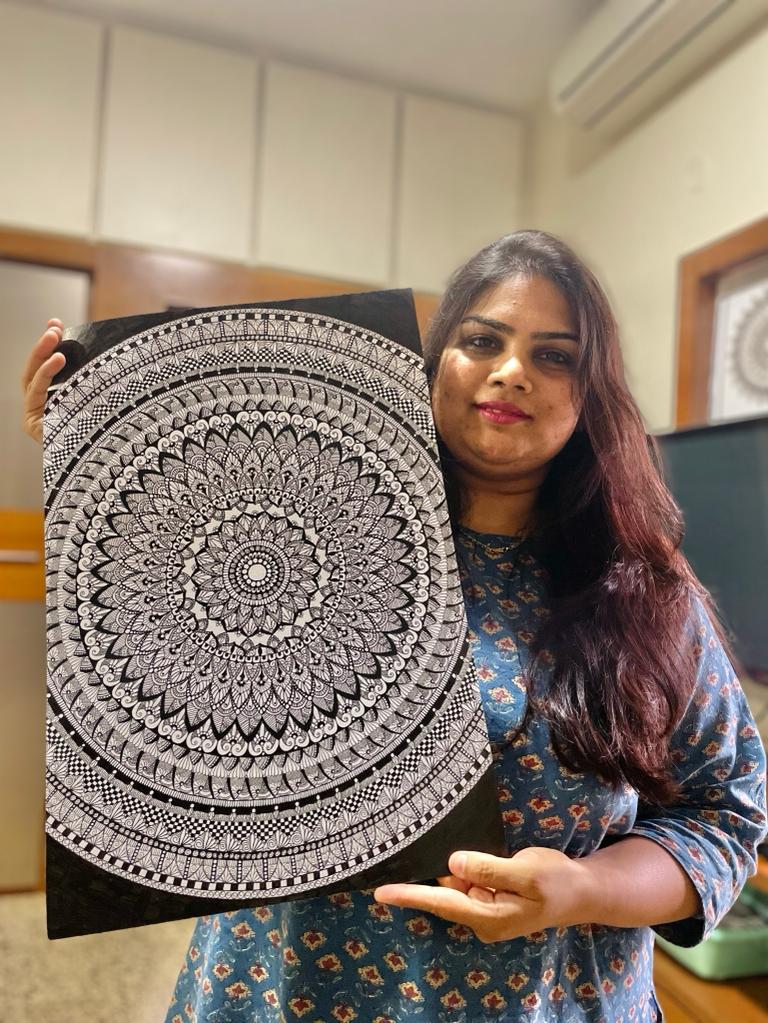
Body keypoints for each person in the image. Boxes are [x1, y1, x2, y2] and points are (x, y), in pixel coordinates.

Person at [23, 231, 767, 1023]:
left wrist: (585, 888)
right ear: (433, 361)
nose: (512, 370)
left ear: (592, 394)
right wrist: (95, 446)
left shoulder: (647, 596)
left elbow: (724, 812)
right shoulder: (287, 533)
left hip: (545, 1001)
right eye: (482, 341)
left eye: (555, 356)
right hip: (286, 992)